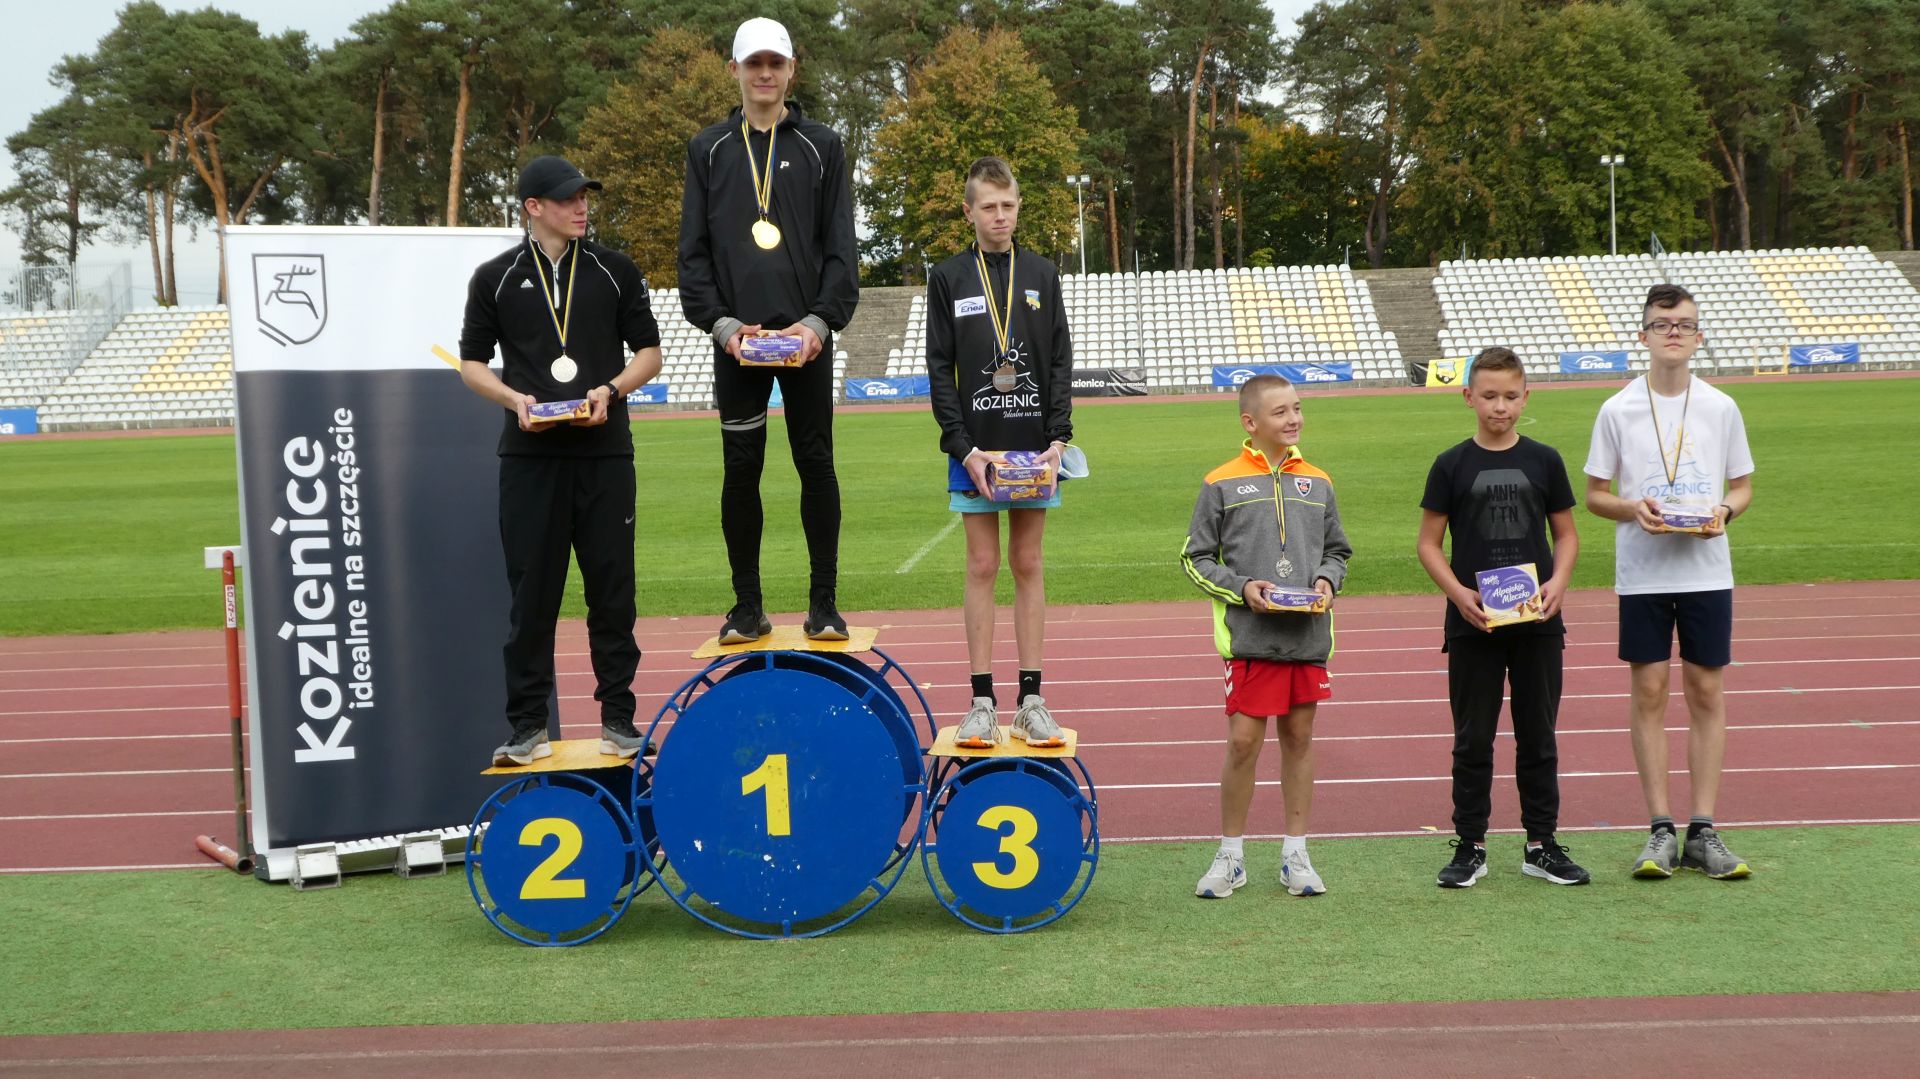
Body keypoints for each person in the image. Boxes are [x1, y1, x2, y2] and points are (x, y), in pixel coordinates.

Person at [458, 155, 664, 767]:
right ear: (533, 207)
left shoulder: (615, 271)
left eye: (585, 197)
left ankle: (619, 719)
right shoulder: (494, 278)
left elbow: (649, 353)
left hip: (605, 453)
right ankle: (527, 726)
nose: (582, 206)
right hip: (530, 458)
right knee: (532, 597)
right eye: (569, 198)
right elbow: (471, 364)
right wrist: (513, 399)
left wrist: (611, 391)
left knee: (612, 593)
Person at [678, 16, 859, 645]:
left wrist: (819, 322)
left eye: (774, 63)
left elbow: (841, 249)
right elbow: (693, 254)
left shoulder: (822, 146)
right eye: (753, 63)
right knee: (740, 470)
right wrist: (723, 325)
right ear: (734, 70)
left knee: (816, 466)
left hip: (806, 342)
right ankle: (747, 606)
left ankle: (824, 605)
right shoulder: (707, 149)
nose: (764, 74)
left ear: (791, 70)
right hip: (739, 345)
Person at [1584, 283, 1755, 880]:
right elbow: (1595, 495)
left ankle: (1703, 829)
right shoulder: (1618, 409)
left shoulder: (1721, 406)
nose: (1673, 332)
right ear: (1644, 335)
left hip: (1707, 569)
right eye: (1662, 324)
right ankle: (1660, 829)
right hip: (1644, 574)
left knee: (1706, 691)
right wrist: (1633, 509)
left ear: (1698, 336)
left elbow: (1742, 486)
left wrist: (1724, 512)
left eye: (1683, 324)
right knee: (1650, 692)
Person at [1416, 347, 1588, 888]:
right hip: (1474, 624)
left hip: (1538, 621)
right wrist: (1458, 595)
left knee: (1538, 735)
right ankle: (1470, 844)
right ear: (1468, 396)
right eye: (1489, 396)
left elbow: (1566, 535)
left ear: (1526, 397)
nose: (1500, 406)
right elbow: (1428, 543)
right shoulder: (1451, 464)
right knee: (1473, 738)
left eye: (1511, 396)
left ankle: (1542, 844)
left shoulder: (1545, 460)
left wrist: (1559, 582)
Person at [925, 157, 1074, 749]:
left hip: (1034, 449)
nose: (1000, 216)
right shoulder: (948, 277)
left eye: (1008, 205)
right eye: (988, 206)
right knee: (983, 565)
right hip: (976, 450)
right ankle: (981, 703)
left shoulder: (1041, 272)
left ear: (1018, 206)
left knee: (1029, 563)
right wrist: (963, 448)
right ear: (969, 211)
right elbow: (940, 368)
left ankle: (1031, 701)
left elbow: (1059, 359)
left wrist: (1058, 439)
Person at [1183, 375, 1351, 898]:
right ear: (1250, 423)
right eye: (1280, 412)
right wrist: (1242, 588)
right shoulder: (1220, 482)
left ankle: (1295, 854)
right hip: (1250, 639)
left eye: (1297, 408)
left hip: (1307, 637)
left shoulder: (1318, 481)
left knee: (1299, 739)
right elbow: (1195, 558)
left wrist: (1327, 581)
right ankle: (1230, 856)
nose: (1294, 418)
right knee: (1243, 743)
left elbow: (1338, 551)